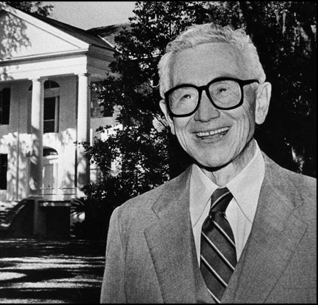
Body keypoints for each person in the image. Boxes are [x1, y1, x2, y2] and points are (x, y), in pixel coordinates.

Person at [100, 23, 316, 303]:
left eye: (224, 89)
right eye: (186, 96)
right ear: (168, 116)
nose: (204, 114)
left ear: (260, 102)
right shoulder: (129, 224)